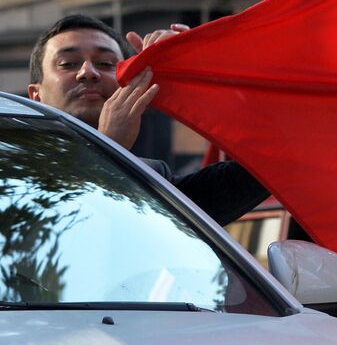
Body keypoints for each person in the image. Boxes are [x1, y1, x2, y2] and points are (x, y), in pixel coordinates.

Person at [27, 14, 268, 225]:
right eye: (68, 64)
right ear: (35, 96)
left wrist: (204, 74)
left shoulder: (153, 179)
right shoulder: (13, 172)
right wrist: (108, 149)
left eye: (106, 64)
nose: (88, 72)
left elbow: (270, 161)